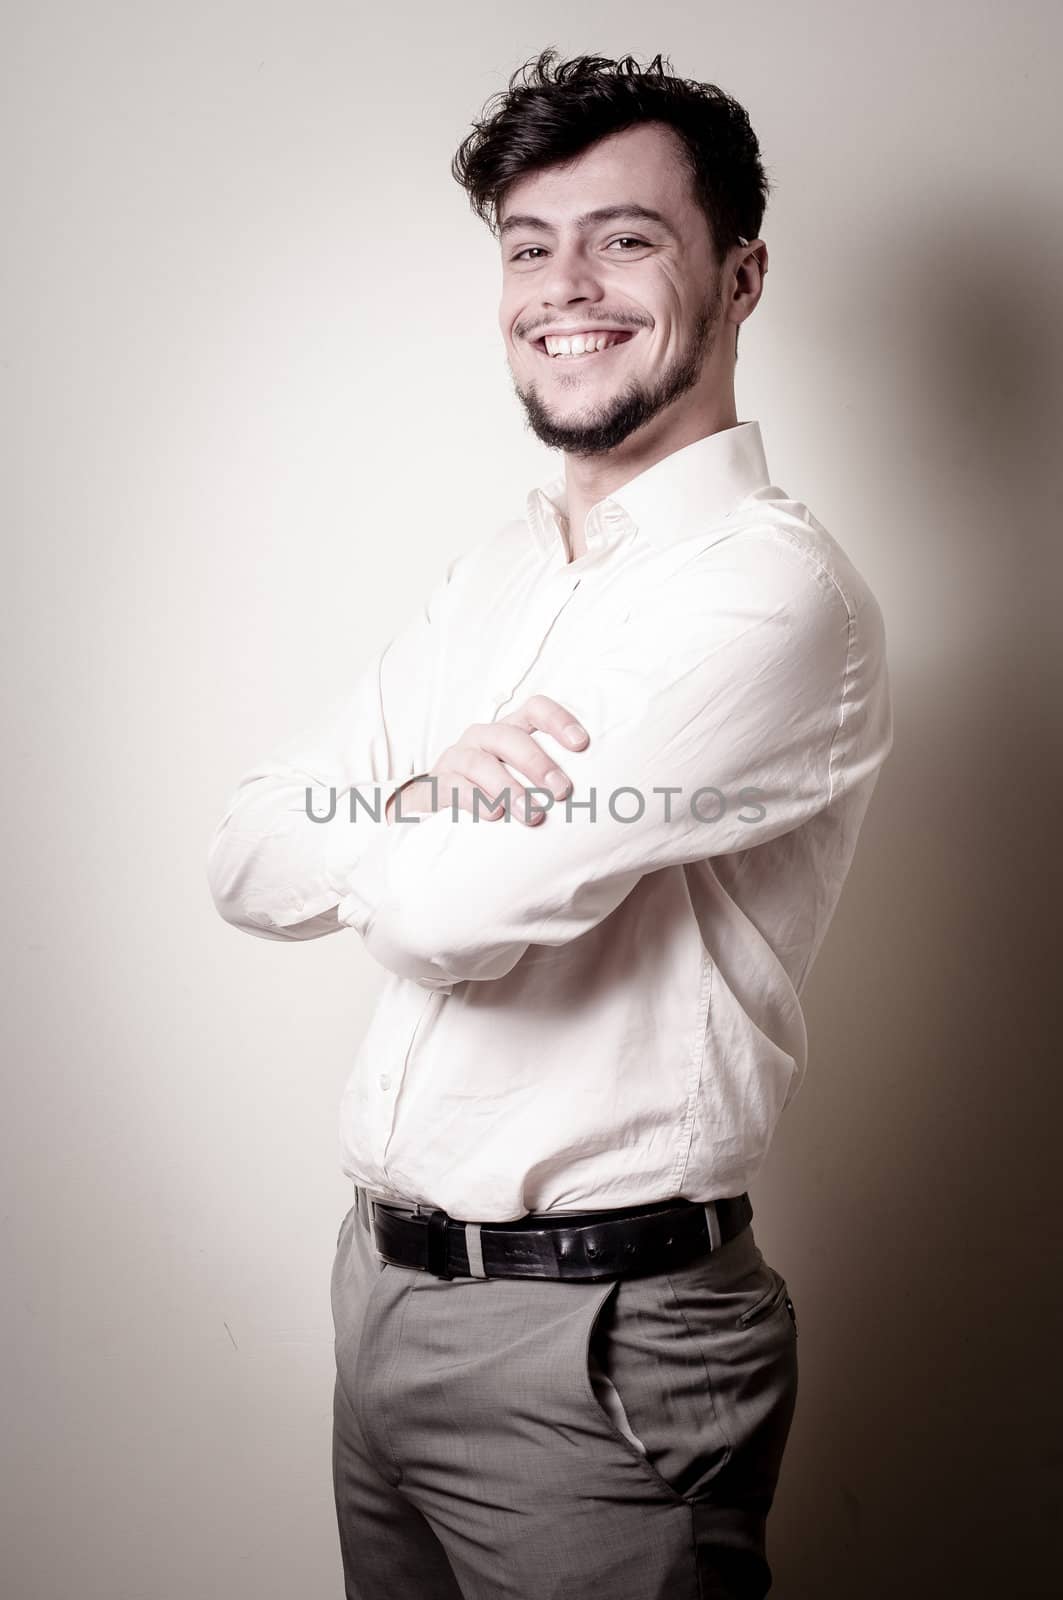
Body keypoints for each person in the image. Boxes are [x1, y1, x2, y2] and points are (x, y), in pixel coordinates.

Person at [206, 47, 893, 1600]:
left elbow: (445, 916)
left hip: (599, 1350)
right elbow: (243, 851)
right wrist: (418, 796)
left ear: (742, 270)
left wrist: (394, 832)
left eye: (626, 237)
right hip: (379, 1303)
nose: (563, 286)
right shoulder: (497, 579)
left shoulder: (773, 596)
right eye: (529, 245)